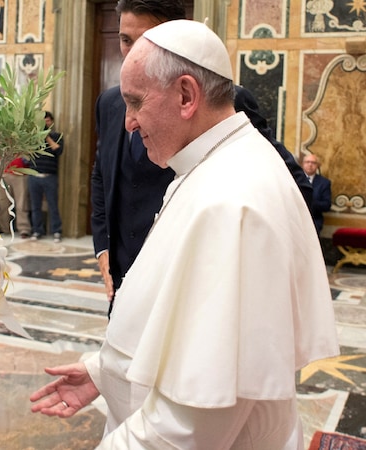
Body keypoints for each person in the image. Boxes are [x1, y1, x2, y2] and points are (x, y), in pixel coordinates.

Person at [30, 20, 338, 448]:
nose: (129, 124)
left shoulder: (234, 200)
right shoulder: (211, 162)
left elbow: (191, 423)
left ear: (187, 95)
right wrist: (106, 373)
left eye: (136, 103)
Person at [90, 0, 312, 315]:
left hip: (193, 301)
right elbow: (102, 176)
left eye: (148, 41)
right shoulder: (110, 104)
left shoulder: (224, 103)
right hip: (125, 293)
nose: (133, 52)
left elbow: (293, 190)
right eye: (126, 40)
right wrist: (103, 248)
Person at [27, 111, 63, 242]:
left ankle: (56, 231)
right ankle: (37, 230)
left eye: (47, 121)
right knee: (35, 206)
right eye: (43, 122)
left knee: (53, 205)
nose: (45, 124)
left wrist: (46, 136)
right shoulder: (34, 138)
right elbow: (27, 155)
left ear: (52, 122)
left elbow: (58, 150)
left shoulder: (57, 136)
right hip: (34, 176)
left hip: (50, 177)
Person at [302, 153, 332, 234]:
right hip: (296, 220)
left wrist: (311, 202)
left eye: (313, 163)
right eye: (307, 162)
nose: (310, 165)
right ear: (302, 164)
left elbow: (327, 205)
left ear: (317, 165)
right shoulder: (295, 180)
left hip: (314, 221)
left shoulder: (324, 183)